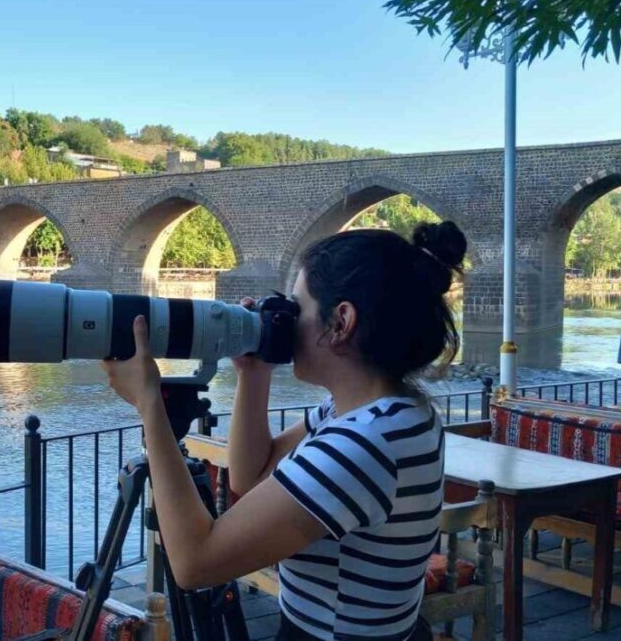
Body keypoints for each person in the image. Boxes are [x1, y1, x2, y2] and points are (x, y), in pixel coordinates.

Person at [102, 221, 467, 640]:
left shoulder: (362, 445)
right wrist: (254, 374)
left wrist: (151, 406)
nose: (285, 321)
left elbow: (193, 563)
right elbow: (250, 475)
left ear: (340, 322)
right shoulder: (384, 411)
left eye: (297, 307)